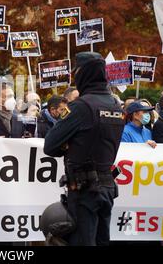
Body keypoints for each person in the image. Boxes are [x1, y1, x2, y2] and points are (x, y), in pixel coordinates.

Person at [43, 52, 125, 246]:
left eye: (76, 72)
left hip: (85, 190)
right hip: (107, 187)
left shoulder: (80, 106)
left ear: (84, 73)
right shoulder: (116, 105)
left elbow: (50, 145)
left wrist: (68, 145)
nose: (74, 76)